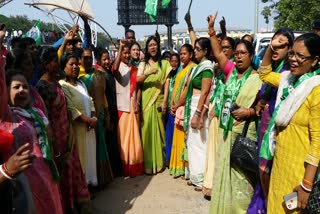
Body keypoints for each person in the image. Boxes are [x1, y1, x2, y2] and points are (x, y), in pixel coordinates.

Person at [258, 33, 320, 213]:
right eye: (292, 54)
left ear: (315, 60)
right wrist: (272, 46)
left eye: (301, 56)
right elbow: (265, 73)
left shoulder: (315, 90)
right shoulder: (288, 81)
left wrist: (306, 185)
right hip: (279, 166)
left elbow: (317, 144)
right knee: (276, 207)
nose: (293, 59)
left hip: (299, 174)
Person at [207, 12, 262, 213]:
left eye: (243, 53)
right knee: (224, 176)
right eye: (236, 53)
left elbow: (260, 108)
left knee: (241, 180)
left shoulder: (258, 79)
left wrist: (249, 112)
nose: (238, 56)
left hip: (243, 137)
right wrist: (212, 31)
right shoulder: (231, 72)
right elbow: (220, 54)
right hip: (226, 134)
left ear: (251, 56)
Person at [0, 56, 63, 213]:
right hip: (24, 182)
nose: (22, 90)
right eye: (16, 87)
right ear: (5, 91)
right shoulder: (7, 117)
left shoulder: (37, 113)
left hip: (46, 177)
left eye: (25, 87)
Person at [35, 48, 92, 212]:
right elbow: (44, 116)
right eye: (54, 61)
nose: (57, 64)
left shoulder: (56, 82)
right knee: (62, 175)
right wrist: (53, 144)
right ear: (46, 65)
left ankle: (75, 205)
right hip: (56, 140)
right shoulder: (42, 87)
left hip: (68, 135)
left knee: (73, 173)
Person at [247, 28, 294, 214]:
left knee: (268, 169)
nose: (275, 48)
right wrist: (261, 102)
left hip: (280, 127)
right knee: (264, 170)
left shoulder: (288, 72)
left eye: (281, 45)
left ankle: (270, 205)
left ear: (290, 49)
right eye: (273, 43)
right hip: (265, 124)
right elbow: (264, 74)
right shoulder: (275, 68)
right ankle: (265, 204)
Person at [59, 53, 98, 186]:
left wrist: (93, 117)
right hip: (78, 129)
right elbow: (71, 109)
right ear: (64, 67)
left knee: (90, 156)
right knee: (80, 158)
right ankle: (81, 190)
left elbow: (90, 100)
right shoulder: (63, 85)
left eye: (76, 64)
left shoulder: (81, 83)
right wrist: (88, 120)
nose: (75, 67)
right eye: (71, 64)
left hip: (89, 127)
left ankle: (89, 185)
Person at [137, 36, 172, 174]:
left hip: (159, 99)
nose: (152, 47)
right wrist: (149, 72)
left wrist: (164, 102)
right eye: (150, 45)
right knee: (146, 131)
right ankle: (149, 164)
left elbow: (167, 83)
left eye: (154, 45)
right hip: (146, 100)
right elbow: (138, 80)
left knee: (160, 131)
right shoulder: (143, 64)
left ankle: (160, 162)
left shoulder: (164, 63)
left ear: (158, 47)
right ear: (147, 48)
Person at [79, 48, 114, 187]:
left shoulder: (99, 75)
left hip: (99, 116)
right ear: (80, 59)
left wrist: (107, 114)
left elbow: (103, 96)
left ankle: (103, 177)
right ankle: (91, 180)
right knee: (89, 150)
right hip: (85, 119)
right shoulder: (78, 77)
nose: (87, 60)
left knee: (101, 147)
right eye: (84, 58)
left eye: (89, 57)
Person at [183, 37, 213, 191]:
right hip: (193, 104)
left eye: (197, 49)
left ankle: (201, 179)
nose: (195, 51)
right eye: (194, 49)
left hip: (198, 106)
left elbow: (205, 92)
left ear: (206, 51)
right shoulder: (199, 66)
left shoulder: (207, 68)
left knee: (200, 143)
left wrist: (198, 114)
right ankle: (195, 176)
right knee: (193, 142)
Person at [111, 41, 144, 177]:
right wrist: (119, 49)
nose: (126, 55)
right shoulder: (118, 67)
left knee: (134, 137)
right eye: (123, 53)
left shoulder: (133, 68)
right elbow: (114, 70)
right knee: (124, 139)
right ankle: (126, 167)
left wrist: (136, 101)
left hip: (132, 105)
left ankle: (135, 166)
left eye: (126, 53)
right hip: (122, 107)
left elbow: (137, 87)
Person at [94, 48, 123, 177]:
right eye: (104, 59)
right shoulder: (99, 75)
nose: (107, 61)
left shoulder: (107, 72)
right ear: (98, 60)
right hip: (107, 112)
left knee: (113, 141)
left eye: (108, 58)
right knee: (109, 142)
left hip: (113, 108)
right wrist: (107, 116)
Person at [169, 44, 196, 178]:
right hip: (177, 107)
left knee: (184, 138)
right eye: (181, 54)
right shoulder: (182, 68)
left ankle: (184, 168)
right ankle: (178, 166)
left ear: (191, 54)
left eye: (185, 53)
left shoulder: (192, 69)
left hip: (184, 108)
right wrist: (172, 104)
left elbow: (187, 89)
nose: (182, 56)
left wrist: (178, 104)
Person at [165, 53, 181, 167]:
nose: (174, 63)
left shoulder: (180, 75)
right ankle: (168, 159)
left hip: (178, 109)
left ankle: (176, 161)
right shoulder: (168, 76)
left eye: (176, 61)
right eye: (172, 61)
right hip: (169, 110)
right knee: (169, 136)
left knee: (177, 136)